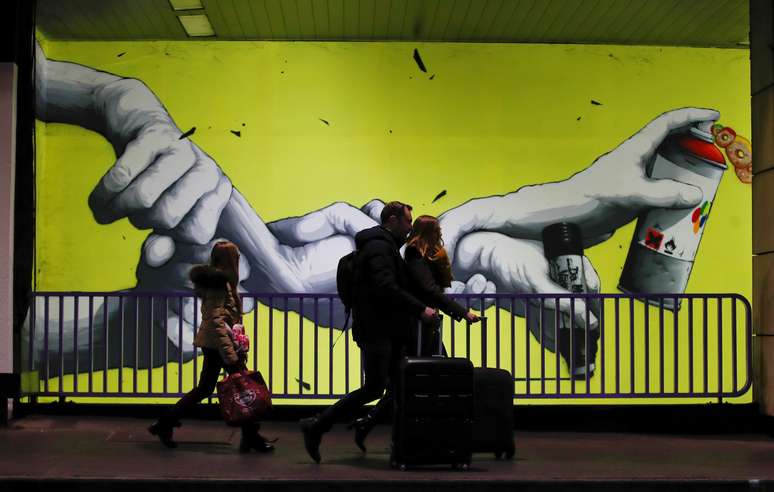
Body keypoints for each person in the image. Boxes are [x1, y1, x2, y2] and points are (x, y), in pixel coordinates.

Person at [298, 202, 438, 463]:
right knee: (375, 388)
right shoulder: (379, 248)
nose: (410, 227)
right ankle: (317, 426)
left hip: (385, 330)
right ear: (393, 220)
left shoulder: (382, 246)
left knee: (399, 387)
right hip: (378, 330)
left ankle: (401, 446)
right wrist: (420, 309)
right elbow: (385, 287)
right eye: (407, 222)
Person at [347, 215, 481, 453]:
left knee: (411, 382)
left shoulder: (419, 252)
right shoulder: (414, 254)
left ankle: (370, 423)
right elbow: (428, 289)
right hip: (417, 327)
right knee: (420, 380)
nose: (440, 234)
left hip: (421, 324)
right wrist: (461, 312)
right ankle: (405, 433)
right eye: (437, 230)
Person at [147, 241, 274, 453]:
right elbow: (216, 320)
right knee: (244, 388)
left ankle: (165, 423)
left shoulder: (220, 281)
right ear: (231, 259)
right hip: (220, 345)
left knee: (206, 388)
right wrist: (230, 353)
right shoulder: (219, 282)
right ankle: (251, 437)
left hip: (215, 343)